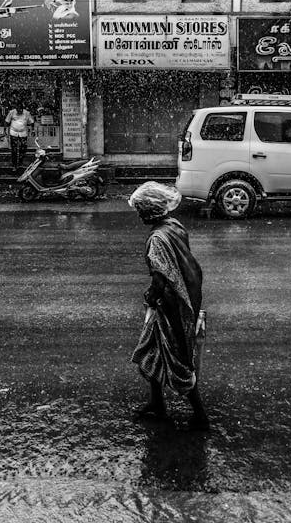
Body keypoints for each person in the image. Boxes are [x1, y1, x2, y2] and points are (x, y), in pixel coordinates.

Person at [128, 181, 210, 431]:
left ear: (149, 210)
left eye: (141, 210)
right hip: (181, 302)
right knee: (150, 352)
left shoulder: (157, 239)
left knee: (179, 362)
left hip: (169, 309)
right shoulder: (174, 226)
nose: (139, 215)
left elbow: (160, 279)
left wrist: (151, 297)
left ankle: (200, 415)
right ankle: (157, 403)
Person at [4, 102, 34, 171]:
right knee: (14, 149)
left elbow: (32, 122)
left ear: (22, 109)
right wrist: (4, 130)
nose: (19, 111)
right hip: (13, 133)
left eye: (20, 110)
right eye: (17, 110)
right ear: (16, 109)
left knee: (23, 149)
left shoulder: (27, 113)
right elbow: (6, 121)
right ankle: (14, 164)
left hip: (23, 133)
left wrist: (33, 130)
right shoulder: (12, 112)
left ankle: (20, 162)